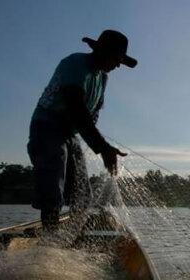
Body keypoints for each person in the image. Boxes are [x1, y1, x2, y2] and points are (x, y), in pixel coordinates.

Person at [27, 30, 137, 230]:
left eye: (121, 60)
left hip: (70, 133)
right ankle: (49, 241)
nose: (118, 65)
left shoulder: (102, 78)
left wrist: (102, 146)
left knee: (82, 194)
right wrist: (102, 147)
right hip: (47, 126)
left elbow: (90, 116)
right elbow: (76, 108)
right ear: (101, 51)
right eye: (116, 58)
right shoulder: (76, 64)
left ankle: (72, 235)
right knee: (53, 183)